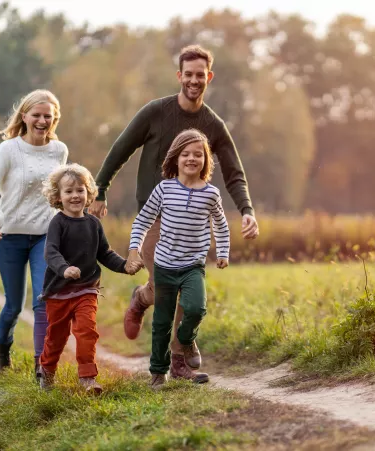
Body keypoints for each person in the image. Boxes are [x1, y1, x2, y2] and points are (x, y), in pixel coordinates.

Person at [90, 44, 259, 371]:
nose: (194, 81)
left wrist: (247, 210)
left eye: (201, 75)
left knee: (186, 284)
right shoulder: (155, 112)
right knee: (163, 287)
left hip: (194, 220)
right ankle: (141, 298)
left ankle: (180, 354)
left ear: (209, 77)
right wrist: (100, 189)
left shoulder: (213, 125)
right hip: (155, 215)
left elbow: (234, 172)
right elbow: (120, 149)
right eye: (188, 75)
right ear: (179, 76)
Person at [126, 129, 229, 390]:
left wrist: (223, 252)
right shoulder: (164, 189)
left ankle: (186, 340)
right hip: (164, 266)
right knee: (161, 321)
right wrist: (134, 249)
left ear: (206, 160)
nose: (191, 159)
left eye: (198, 154)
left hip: (193, 265)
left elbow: (221, 225)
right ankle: (158, 373)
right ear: (175, 158)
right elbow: (143, 221)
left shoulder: (211, 194)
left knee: (196, 308)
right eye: (185, 154)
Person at [0, 89, 69, 380]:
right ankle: (2, 347)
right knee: (14, 306)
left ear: (54, 119)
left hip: (46, 235)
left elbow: (60, 192)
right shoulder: (8, 150)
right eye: (37, 115)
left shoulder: (59, 151)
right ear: (25, 116)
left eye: (47, 116)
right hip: (9, 236)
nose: (42, 120)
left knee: (43, 299)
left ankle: (42, 367)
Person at [37, 163, 139, 393]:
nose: (75, 196)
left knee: (87, 330)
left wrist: (125, 266)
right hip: (59, 291)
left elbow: (104, 253)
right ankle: (47, 370)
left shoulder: (93, 223)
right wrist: (64, 269)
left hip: (86, 289)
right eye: (69, 191)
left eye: (80, 190)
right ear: (58, 196)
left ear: (89, 193)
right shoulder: (58, 223)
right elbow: (50, 252)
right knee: (56, 337)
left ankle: (87, 378)